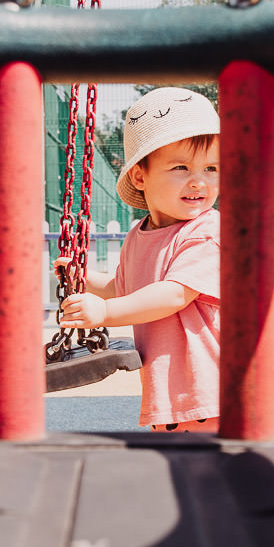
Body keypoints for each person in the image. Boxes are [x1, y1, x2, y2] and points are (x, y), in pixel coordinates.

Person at [58, 87, 221, 432]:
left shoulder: (207, 231)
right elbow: (124, 287)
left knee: (209, 481)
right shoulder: (139, 234)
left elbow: (174, 294)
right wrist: (81, 277)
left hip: (211, 393)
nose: (199, 180)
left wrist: (105, 313)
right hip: (171, 396)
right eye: (181, 167)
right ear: (139, 175)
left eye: (211, 168)